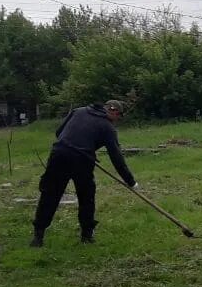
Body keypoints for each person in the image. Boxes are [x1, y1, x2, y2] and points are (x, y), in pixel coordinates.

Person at [30, 99, 136, 247]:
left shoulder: (79, 111)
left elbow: (59, 132)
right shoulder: (107, 127)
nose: (117, 121)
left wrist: (79, 144)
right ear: (114, 112)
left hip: (59, 154)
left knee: (50, 194)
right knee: (86, 197)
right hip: (82, 160)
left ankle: (38, 236)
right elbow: (116, 157)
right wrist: (131, 182)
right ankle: (87, 235)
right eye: (119, 117)